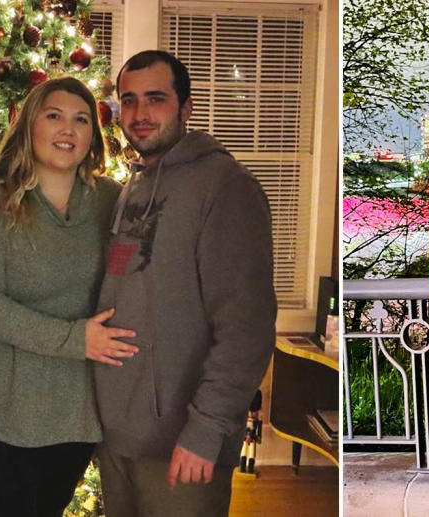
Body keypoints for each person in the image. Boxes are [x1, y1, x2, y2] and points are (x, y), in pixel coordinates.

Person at [92, 50, 277, 516]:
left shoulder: (226, 187)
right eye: (128, 101)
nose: (139, 114)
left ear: (186, 106)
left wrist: (206, 430)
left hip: (182, 444)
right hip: (117, 435)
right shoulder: (131, 185)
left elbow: (246, 326)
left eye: (155, 98)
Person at [0, 77, 139, 516]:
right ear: (29, 126)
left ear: (93, 136)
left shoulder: (112, 200)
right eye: (54, 116)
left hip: (73, 414)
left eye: (81, 119)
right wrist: (75, 340)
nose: (67, 129)